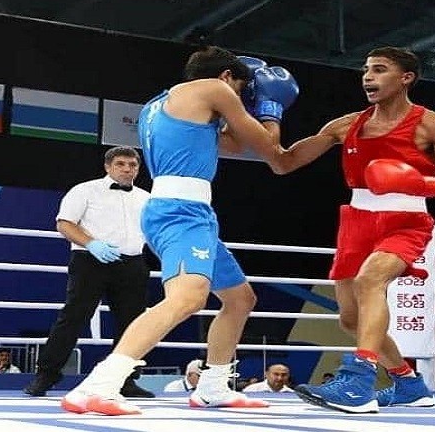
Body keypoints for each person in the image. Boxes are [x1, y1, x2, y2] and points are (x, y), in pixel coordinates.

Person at [59, 45, 299, 416]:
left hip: (185, 211)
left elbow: (234, 143)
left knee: (239, 299)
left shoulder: (160, 104)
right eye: (239, 90)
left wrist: (244, 113)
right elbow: (269, 147)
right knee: (186, 299)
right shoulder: (214, 89)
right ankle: (98, 385)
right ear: (225, 77)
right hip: (181, 212)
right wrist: (270, 108)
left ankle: (213, 387)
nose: (238, 98)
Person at [265, 46, 435, 413]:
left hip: (406, 220)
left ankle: (358, 382)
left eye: (379, 69)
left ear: (406, 78)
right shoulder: (345, 125)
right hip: (357, 221)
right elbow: (284, 163)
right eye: (366, 69)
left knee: (370, 281)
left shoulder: (434, 124)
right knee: (352, 319)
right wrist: (268, 113)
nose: (367, 76)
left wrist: (423, 184)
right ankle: (408, 384)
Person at [24, 146, 154, 399]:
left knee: (132, 323)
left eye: (132, 165)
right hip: (90, 260)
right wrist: (92, 244)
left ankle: (125, 379)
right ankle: (46, 374)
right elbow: (64, 224)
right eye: (121, 164)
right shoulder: (85, 190)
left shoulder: (146, 198)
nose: (127, 169)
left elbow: (154, 231)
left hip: (132, 263)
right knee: (73, 316)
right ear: (108, 166)